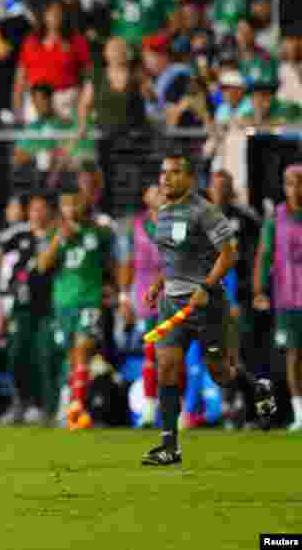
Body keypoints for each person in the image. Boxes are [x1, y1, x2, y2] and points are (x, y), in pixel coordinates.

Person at [141, 155, 275, 466]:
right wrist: (159, 283)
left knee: (220, 373)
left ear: (189, 178)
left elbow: (229, 254)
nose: (167, 178)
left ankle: (257, 388)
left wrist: (206, 286)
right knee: (167, 368)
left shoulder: (204, 211)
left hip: (207, 303)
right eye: (164, 173)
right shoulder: (162, 212)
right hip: (172, 304)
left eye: (175, 173)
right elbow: (172, 259)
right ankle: (169, 446)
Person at [37, 184, 116, 430]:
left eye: (75, 202)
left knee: (82, 350)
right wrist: (59, 240)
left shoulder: (100, 233)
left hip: (90, 302)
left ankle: (76, 407)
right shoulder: (54, 233)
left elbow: (111, 264)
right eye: (66, 204)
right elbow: (42, 266)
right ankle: (68, 403)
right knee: (71, 357)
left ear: (84, 203)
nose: (71, 208)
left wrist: (114, 291)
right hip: (63, 303)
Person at [207, 169, 263, 428]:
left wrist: (251, 294)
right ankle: (230, 408)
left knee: (242, 356)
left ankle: (253, 409)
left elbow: (255, 260)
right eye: (216, 187)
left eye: (224, 187)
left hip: (239, 298)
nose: (219, 192)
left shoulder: (246, 219)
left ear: (231, 190)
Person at [0, 193, 54, 425]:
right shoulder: (18, 235)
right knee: (17, 354)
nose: (37, 214)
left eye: (42, 208)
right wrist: (3, 290)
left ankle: (43, 406)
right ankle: (19, 402)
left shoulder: (55, 236)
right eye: (33, 209)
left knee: (43, 355)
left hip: (48, 307)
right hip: (21, 306)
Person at [254, 165, 302, 432]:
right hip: (288, 298)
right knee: (293, 355)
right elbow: (264, 256)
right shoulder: (276, 219)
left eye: (299, 183)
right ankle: (299, 413)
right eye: (290, 183)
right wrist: (259, 290)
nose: (295, 188)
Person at [118, 184, 164, 427]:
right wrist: (124, 298)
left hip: (173, 296)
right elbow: (127, 262)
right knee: (150, 355)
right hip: (145, 298)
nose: (159, 195)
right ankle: (148, 408)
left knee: (173, 355)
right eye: (154, 191)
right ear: (146, 196)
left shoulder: (178, 224)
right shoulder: (135, 227)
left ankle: (177, 409)